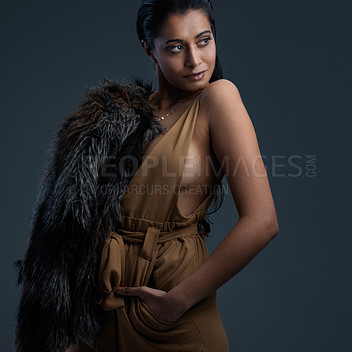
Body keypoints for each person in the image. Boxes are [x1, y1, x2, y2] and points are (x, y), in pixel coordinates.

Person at [14, 0, 279, 351]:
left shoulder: (219, 98)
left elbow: (262, 221)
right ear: (149, 49)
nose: (195, 60)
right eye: (175, 47)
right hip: (100, 307)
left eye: (204, 40)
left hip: (169, 303)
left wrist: (178, 301)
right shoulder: (119, 119)